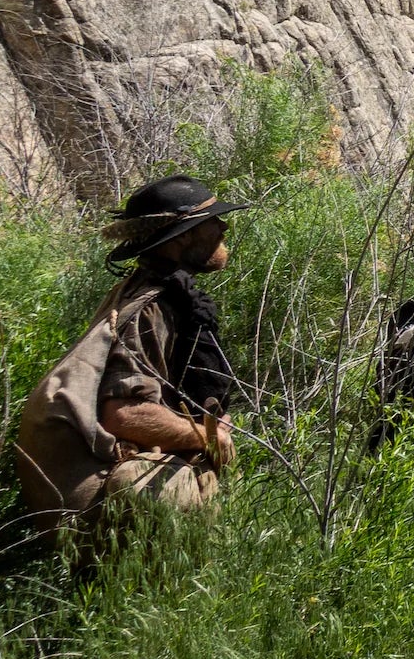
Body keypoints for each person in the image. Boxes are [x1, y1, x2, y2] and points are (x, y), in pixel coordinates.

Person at [13, 175, 245, 541]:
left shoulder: (157, 294)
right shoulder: (150, 308)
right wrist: (208, 437)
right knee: (170, 487)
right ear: (184, 235)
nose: (223, 226)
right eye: (211, 221)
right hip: (100, 514)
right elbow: (124, 414)